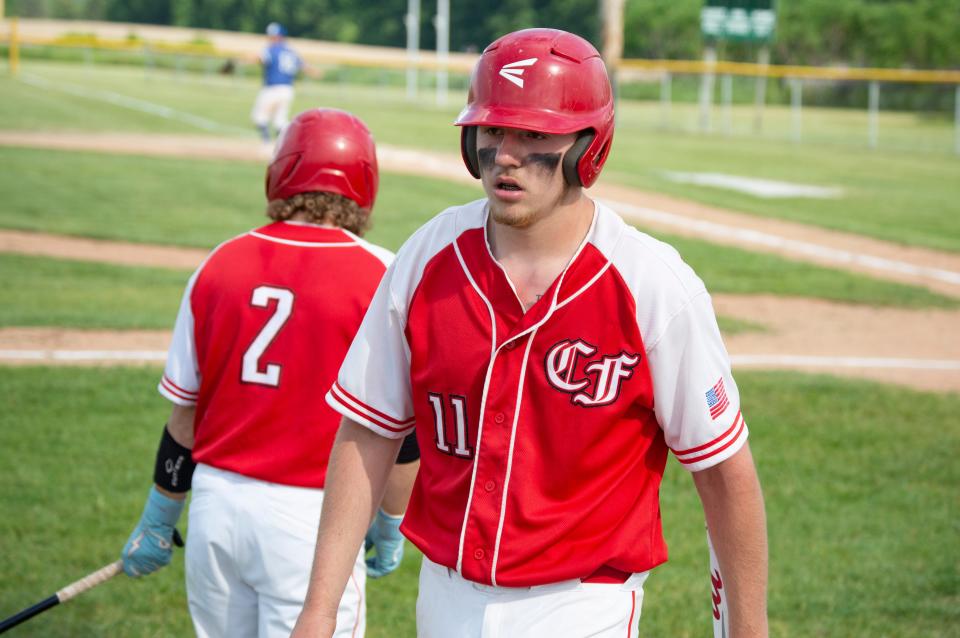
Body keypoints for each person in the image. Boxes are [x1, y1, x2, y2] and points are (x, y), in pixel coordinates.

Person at [292, 28, 768, 638]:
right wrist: (318, 608)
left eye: (534, 135)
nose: (506, 155)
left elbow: (725, 473)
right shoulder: (429, 256)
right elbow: (369, 431)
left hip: (580, 606)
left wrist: (746, 631)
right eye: (493, 129)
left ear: (587, 149)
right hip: (443, 595)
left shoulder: (651, 285)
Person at [120, 108, 419, 638]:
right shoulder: (384, 272)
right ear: (364, 185)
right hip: (314, 523)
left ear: (280, 174)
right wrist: (392, 523)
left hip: (216, 510)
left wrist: (160, 515)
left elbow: (183, 420)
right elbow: (402, 438)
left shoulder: (220, 261)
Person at [252, 22, 303, 145]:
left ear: (279, 36)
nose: (270, 38)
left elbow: (260, 58)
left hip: (272, 88)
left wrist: (241, 60)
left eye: (273, 36)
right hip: (287, 89)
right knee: (280, 121)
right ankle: (282, 145)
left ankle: (266, 142)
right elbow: (301, 65)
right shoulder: (290, 51)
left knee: (259, 117)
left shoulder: (270, 49)